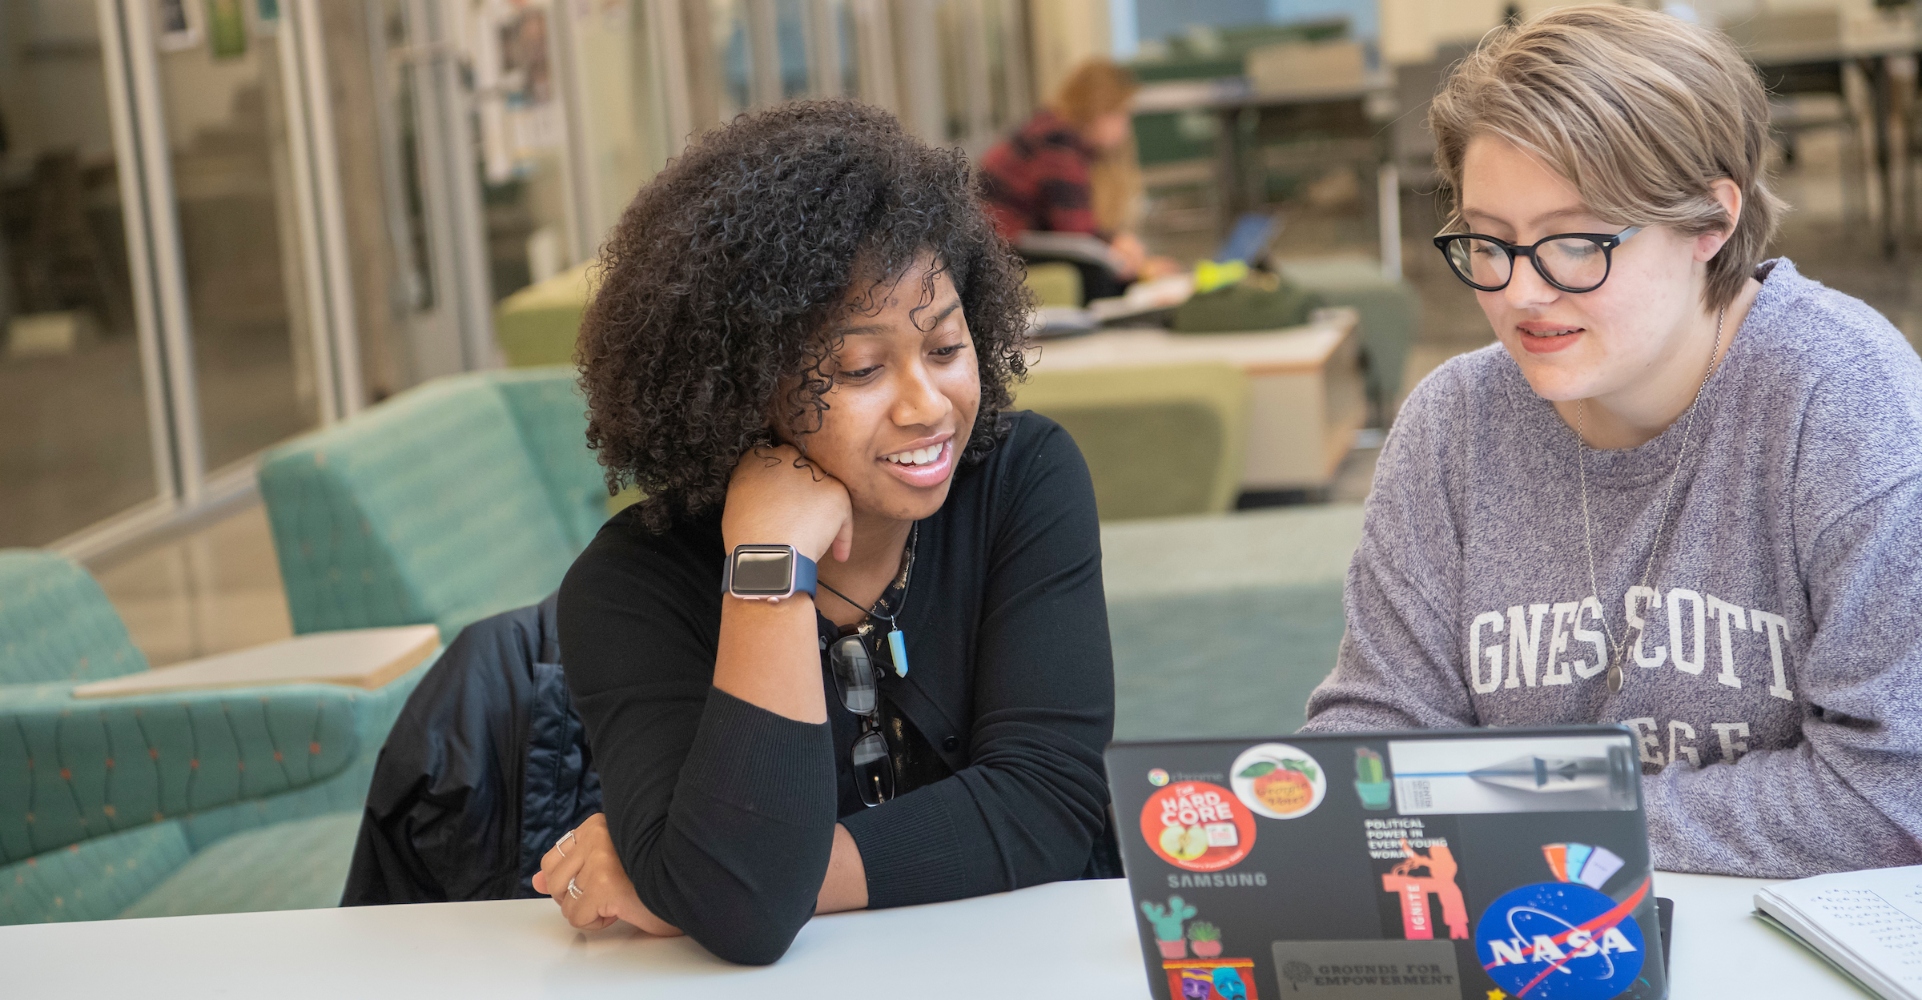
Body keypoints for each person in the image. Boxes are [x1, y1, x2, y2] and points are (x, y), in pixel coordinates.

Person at [1304, 5, 1922, 879]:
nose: (1520, 292)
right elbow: (1372, 745)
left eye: (1574, 242)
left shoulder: (1846, 401)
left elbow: (1891, 793)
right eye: (1490, 242)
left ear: (1709, 223)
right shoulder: (1453, 423)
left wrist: (1530, 814)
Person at [533, 101, 1118, 965]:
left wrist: (692, 880)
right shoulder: (632, 588)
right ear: (742, 383)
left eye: (946, 348)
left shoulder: (1021, 479)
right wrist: (768, 569)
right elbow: (743, 916)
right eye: (861, 368)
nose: (927, 407)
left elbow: (1052, 803)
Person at [978, 58, 1176, 295]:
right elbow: (1074, 231)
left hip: (1008, 246)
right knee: (1099, 279)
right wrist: (1136, 265)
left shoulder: (1053, 130)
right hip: (1000, 253)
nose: (1124, 128)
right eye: (1120, 114)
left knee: (1107, 272)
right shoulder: (1057, 139)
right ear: (1099, 109)